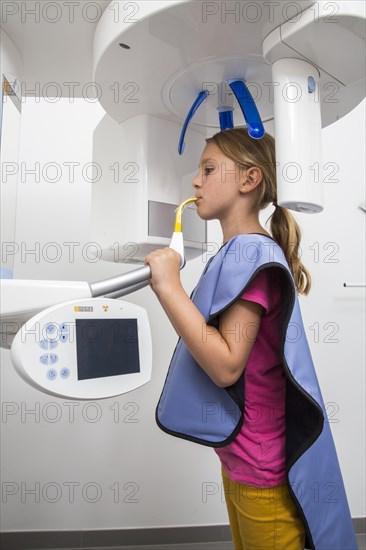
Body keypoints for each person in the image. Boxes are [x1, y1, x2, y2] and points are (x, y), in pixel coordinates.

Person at [145, 128, 356, 550]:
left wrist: (169, 287)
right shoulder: (234, 252)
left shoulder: (252, 254)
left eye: (208, 169)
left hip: (262, 468)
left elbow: (225, 365)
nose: (195, 181)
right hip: (241, 459)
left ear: (249, 179)